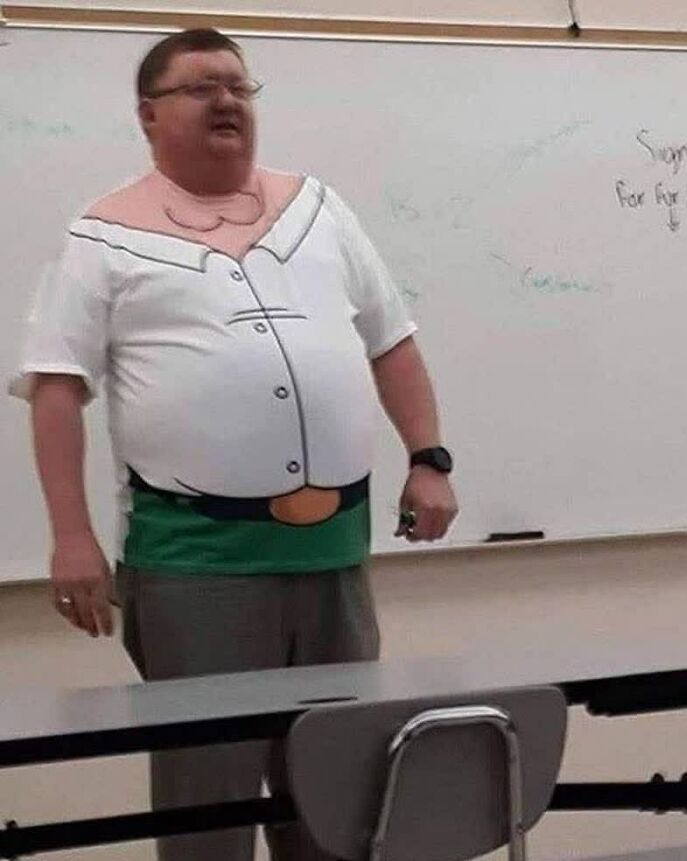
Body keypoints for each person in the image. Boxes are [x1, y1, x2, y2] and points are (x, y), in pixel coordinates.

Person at [10, 28, 458, 861]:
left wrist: (428, 457)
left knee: (335, 789)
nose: (226, 100)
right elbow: (56, 388)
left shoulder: (318, 210)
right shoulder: (103, 235)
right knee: (205, 803)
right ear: (149, 115)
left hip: (333, 553)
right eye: (201, 87)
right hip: (196, 565)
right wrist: (72, 536)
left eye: (239, 87)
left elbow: (391, 341)